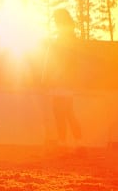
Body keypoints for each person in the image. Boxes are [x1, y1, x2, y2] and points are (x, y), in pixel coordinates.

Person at [43, 8, 83, 148]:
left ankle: (76, 141)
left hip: (64, 80)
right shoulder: (63, 37)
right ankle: (65, 142)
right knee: (60, 112)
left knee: (65, 111)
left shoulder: (66, 38)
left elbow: (66, 59)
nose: (55, 22)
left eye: (56, 19)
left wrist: (56, 75)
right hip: (60, 80)